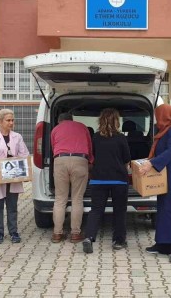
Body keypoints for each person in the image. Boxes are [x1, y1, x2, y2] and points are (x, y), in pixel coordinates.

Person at [139, 104, 171, 263]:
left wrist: (151, 163)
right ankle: (163, 244)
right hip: (166, 175)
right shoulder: (165, 130)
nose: (156, 119)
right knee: (164, 208)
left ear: (165, 115)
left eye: (158, 115)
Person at [82, 108, 131, 254]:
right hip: (119, 180)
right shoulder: (121, 138)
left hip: (98, 180)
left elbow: (92, 157)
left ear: (101, 121)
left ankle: (89, 237)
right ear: (116, 121)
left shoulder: (95, 138)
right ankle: (118, 241)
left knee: (96, 210)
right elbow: (126, 159)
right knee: (119, 211)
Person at [0, 109, 29, 245]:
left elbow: (24, 154)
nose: (11, 123)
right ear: (0, 122)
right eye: (8, 120)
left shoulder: (17, 137)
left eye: (12, 120)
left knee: (12, 206)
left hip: (12, 176)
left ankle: (14, 232)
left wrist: (23, 171)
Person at [50, 112, 94, 243]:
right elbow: (89, 147)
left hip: (60, 160)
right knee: (77, 199)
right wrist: (90, 161)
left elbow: (53, 148)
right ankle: (75, 234)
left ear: (59, 121)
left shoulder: (55, 129)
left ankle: (57, 234)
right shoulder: (82, 127)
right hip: (80, 160)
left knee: (60, 199)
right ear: (72, 119)